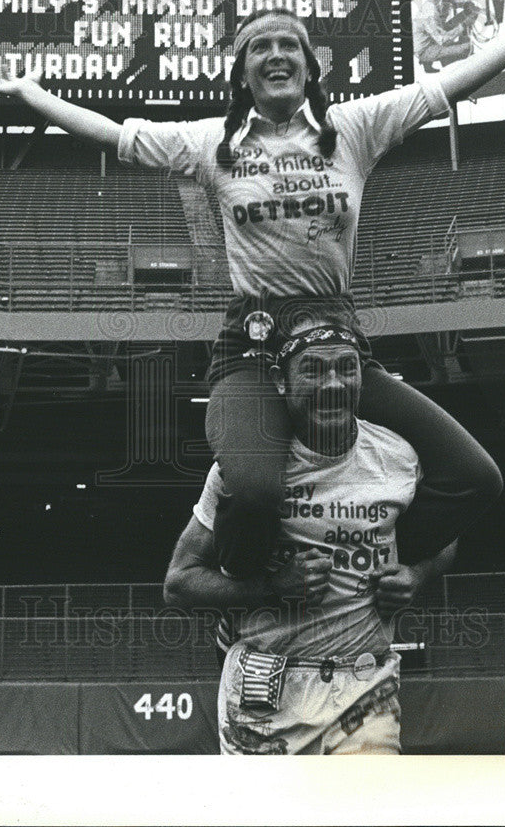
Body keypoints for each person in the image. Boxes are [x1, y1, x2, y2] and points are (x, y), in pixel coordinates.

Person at [0, 0, 505, 577]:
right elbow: (117, 136)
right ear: (242, 72)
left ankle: (371, 569)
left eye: (288, 43)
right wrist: (34, 96)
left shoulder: (353, 129)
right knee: (255, 488)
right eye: (259, 47)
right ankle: (245, 595)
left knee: (475, 476)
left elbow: (451, 83)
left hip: (339, 343)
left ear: (309, 65)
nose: (275, 54)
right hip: (254, 346)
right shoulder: (209, 142)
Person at [164, 319, 458, 754]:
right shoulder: (246, 472)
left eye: (346, 368)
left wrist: (416, 574)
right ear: (282, 381)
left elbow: (446, 538)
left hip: (366, 690)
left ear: (363, 376)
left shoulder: (398, 457)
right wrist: (270, 589)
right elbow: (178, 583)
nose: (334, 384)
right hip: (265, 692)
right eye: (313, 370)